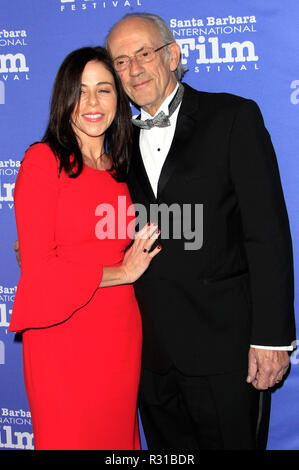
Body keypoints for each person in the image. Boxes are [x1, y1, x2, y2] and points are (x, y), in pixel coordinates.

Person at [106, 13, 296, 450]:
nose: (133, 70)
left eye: (143, 54)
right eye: (120, 62)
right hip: (149, 357)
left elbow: (267, 234)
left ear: (172, 55)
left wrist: (271, 338)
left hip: (226, 352)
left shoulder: (232, 117)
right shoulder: (114, 142)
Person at [9, 46, 161, 450]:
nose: (92, 103)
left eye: (104, 90)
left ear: (119, 99)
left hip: (120, 333)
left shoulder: (122, 171)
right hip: (61, 334)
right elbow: (40, 269)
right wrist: (123, 273)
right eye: (80, 91)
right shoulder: (43, 161)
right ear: (64, 100)